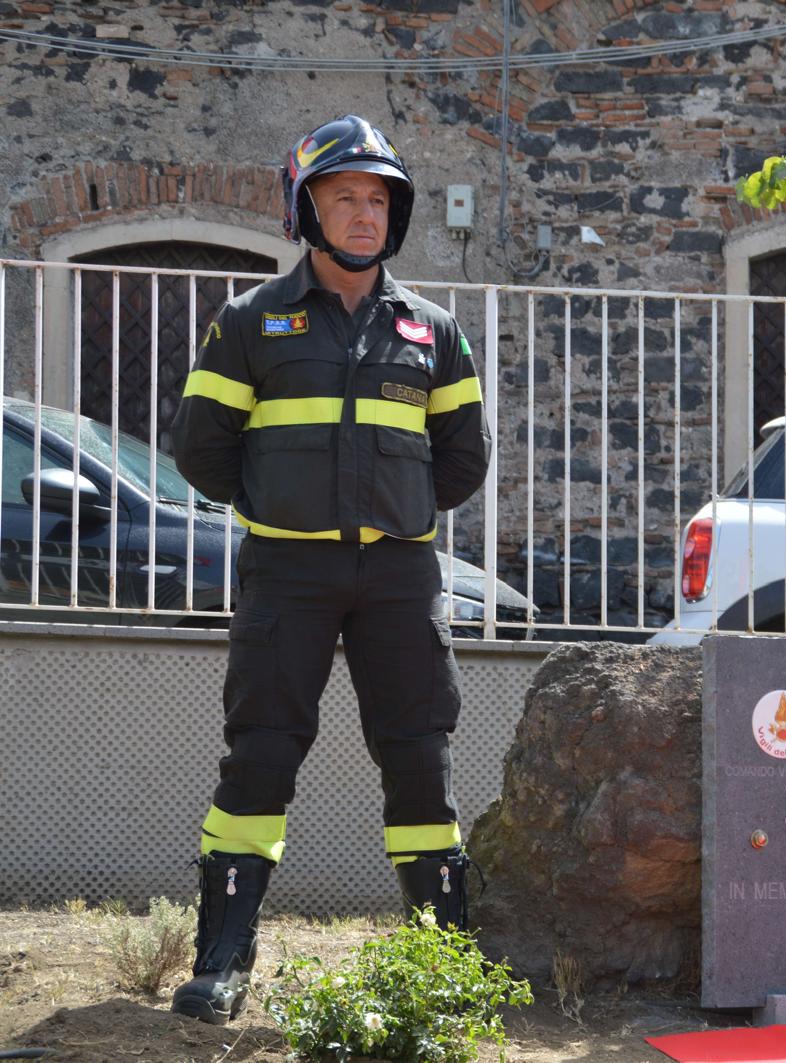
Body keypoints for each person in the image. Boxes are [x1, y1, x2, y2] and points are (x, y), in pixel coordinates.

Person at [168, 114, 491, 1025]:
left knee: (420, 764)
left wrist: (389, 519)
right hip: (287, 577)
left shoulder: (434, 333)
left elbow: (463, 463)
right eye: (344, 195)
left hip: (399, 578)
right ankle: (222, 960)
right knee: (261, 754)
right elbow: (201, 448)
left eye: (379, 198)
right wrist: (285, 509)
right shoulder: (248, 322)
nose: (364, 213)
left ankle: (443, 968)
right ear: (305, 208)